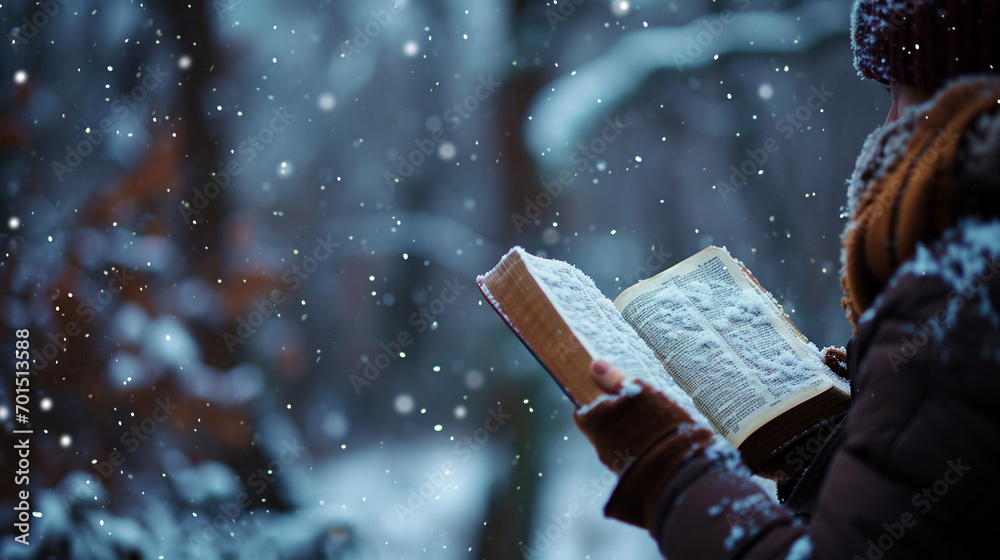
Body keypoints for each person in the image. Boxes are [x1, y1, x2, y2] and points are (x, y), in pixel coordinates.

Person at [573, 1, 1000, 558]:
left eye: (910, 92)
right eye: (885, 93)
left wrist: (668, 467)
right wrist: (831, 438)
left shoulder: (961, 291)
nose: (889, 126)